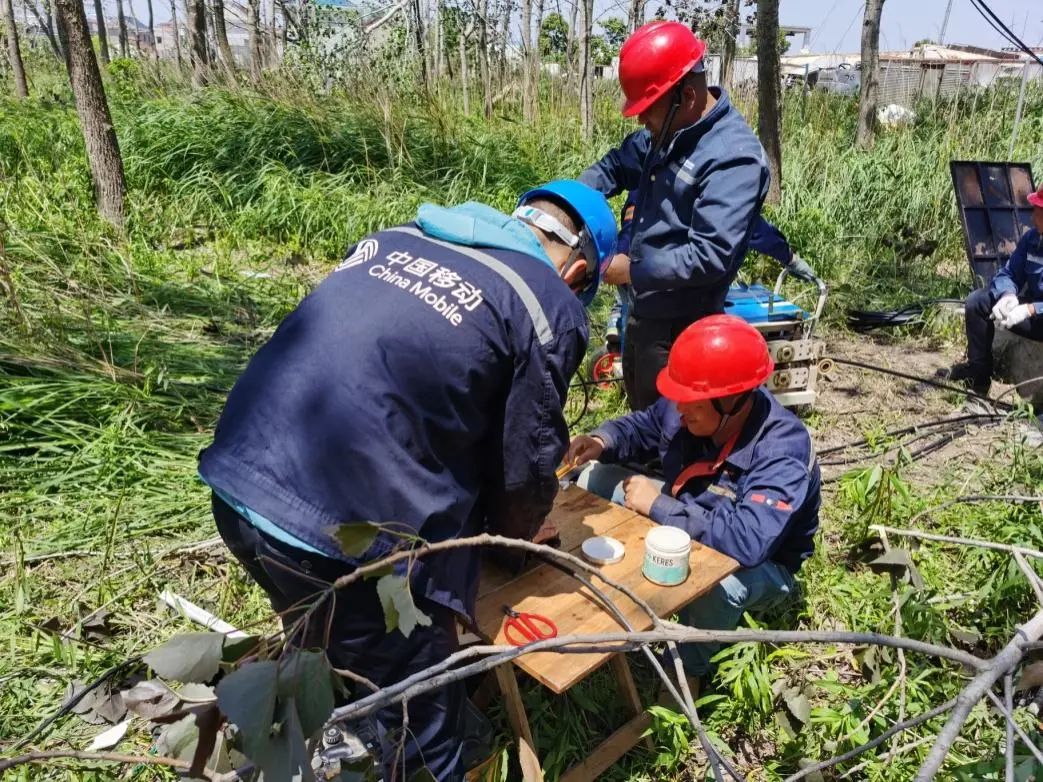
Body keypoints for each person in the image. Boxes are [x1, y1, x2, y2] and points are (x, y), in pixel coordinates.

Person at [197, 180, 617, 781]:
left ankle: (344, 723)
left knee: (323, 636)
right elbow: (524, 459)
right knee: (424, 730)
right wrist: (519, 533)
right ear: (577, 271)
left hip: (238, 481)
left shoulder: (400, 237)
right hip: (341, 535)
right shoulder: (545, 301)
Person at [566, 315, 821, 679]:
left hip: (761, 564)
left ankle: (687, 670)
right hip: (689, 509)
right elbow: (642, 426)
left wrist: (658, 505)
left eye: (691, 404)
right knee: (595, 475)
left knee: (716, 583)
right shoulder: (688, 403)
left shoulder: (782, 449)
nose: (680, 409)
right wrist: (602, 440)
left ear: (733, 400)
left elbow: (747, 543)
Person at [579, 21, 771, 410]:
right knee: (639, 411)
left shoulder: (734, 158)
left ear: (685, 96)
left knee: (667, 431)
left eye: (648, 111)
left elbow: (710, 254)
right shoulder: (665, 131)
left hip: (682, 330)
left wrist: (631, 269)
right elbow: (617, 166)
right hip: (643, 312)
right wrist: (569, 202)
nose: (640, 121)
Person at [943, 183, 1043, 395]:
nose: (1034, 217)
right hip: (1035, 317)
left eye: (1039, 211)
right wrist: (1008, 295)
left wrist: (1031, 309)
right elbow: (1008, 273)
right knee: (978, 301)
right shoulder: (1032, 239)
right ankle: (978, 380)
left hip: (1038, 312)